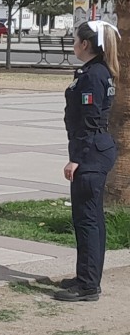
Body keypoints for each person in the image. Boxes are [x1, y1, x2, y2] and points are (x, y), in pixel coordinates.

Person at [54, 20, 120, 303]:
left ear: (86, 44)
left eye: (75, 39)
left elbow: (90, 122)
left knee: (87, 220)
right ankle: (87, 277)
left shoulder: (93, 75)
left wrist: (77, 160)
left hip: (91, 152)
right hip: (95, 149)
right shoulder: (96, 71)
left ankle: (88, 285)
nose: (73, 44)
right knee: (90, 219)